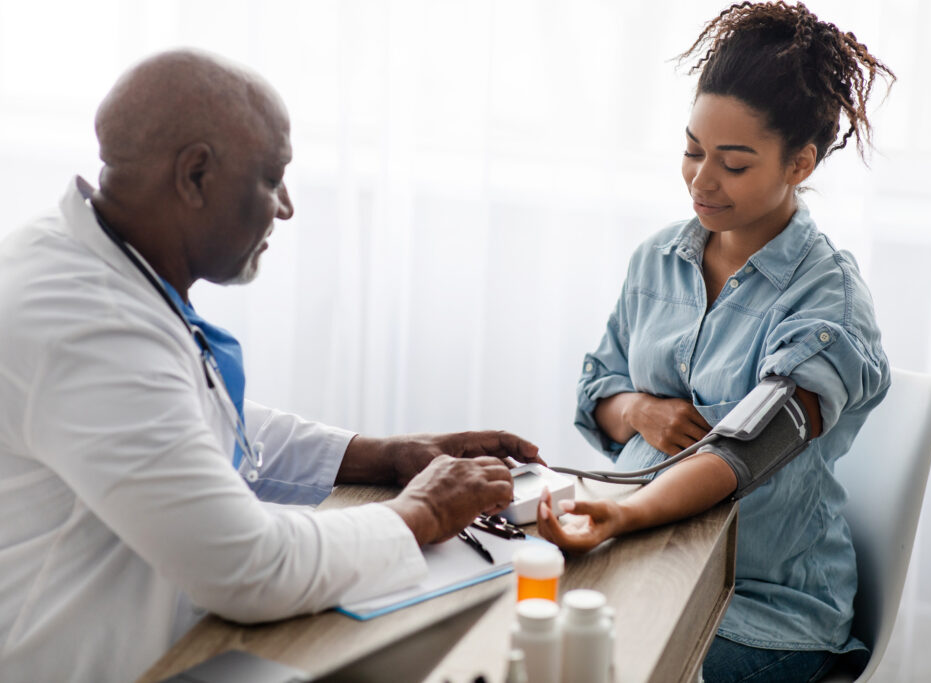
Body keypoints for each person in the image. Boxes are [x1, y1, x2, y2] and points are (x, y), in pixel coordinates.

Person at [0, 49, 541, 682]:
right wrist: (421, 512)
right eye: (271, 177)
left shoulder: (85, 255)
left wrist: (384, 454)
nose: (285, 207)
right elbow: (250, 570)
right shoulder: (91, 328)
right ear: (195, 175)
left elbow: (181, 419)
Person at [536, 3, 894, 681]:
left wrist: (621, 511)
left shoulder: (827, 301)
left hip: (759, 607)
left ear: (800, 162)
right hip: (641, 553)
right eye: (692, 150)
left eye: (733, 163)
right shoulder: (657, 259)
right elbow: (596, 389)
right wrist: (638, 410)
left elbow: (748, 447)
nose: (702, 179)